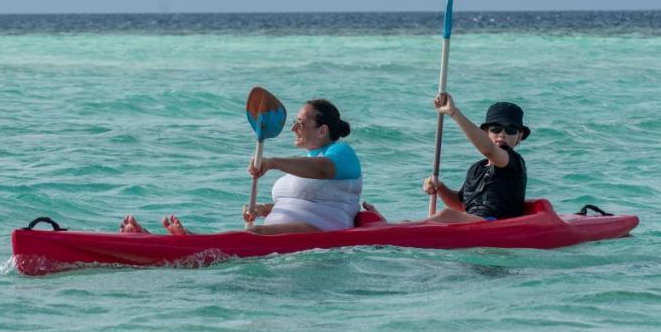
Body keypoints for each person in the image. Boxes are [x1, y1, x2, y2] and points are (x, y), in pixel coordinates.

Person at [119, 98, 362, 235]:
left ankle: (188, 241)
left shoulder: (341, 153)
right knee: (253, 231)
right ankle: (172, 241)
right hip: (285, 232)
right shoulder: (304, 162)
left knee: (252, 235)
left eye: (301, 123)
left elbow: (323, 171)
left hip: (322, 231)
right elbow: (306, 198)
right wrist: (264, 210)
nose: (293, 129)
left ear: (322, 130)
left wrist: (273, 162)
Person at [365, 94, 528, 224]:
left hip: (497, 224)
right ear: (485, 132)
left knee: (446, 215)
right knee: (442, 216)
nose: (502, 134)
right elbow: (461, 204)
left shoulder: (513, 162)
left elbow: (488, 150)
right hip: (474, 221)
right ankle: (394, 226)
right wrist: (440, 187)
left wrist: (453, 112)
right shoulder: (477, 168)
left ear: (520, 135)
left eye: (511, 129)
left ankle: (390, 229)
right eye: (496, 129)